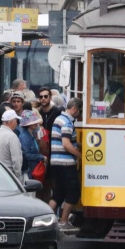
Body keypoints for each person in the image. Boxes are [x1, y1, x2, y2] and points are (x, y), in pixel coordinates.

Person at [50, 98, 82, 230]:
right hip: (66, 164)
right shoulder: (68, 122)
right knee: (73, 193)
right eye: (79, 112)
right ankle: (63, 221)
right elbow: (66, 143)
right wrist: (79, 154)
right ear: (74, 108)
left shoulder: (58, 119)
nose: (79, 115)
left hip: (56, 162)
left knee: (58, 194)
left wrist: (78, 144)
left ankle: (47, 220)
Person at [0, 109, 24, 181]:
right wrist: (18, 177)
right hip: (10, 176)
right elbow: (16, 160)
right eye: (16, 121)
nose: (16, 123)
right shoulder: (12, 136)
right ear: (11, 122)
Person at [18, 110, 46, 180]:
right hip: (29, 170)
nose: (36, 123)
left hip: (33, 168)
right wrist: (41, 157)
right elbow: (26, 155)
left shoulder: (31, 134)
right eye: (33, 122)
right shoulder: (24, 137)